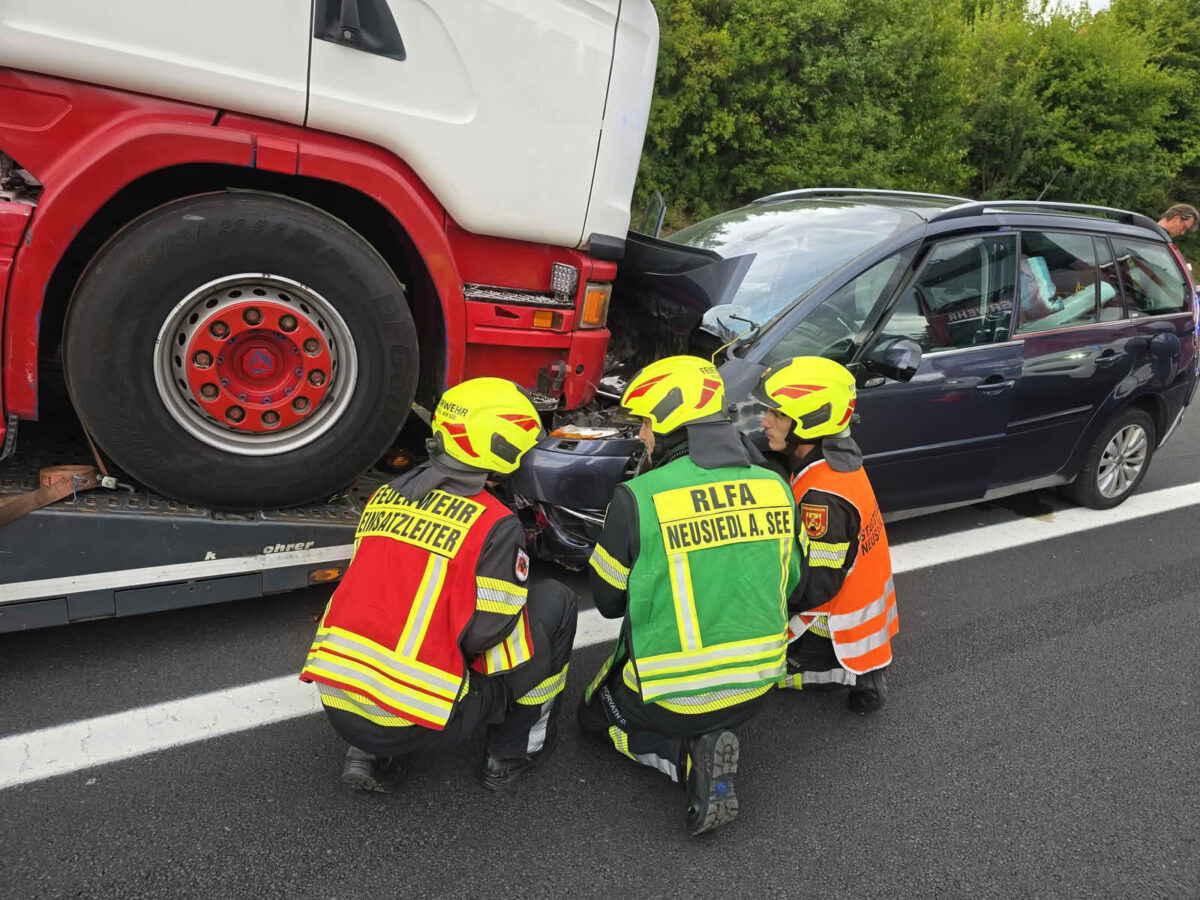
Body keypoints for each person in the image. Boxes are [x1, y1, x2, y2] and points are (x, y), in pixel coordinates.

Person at [301, 377, 577, 792]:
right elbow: (486, 635)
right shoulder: (493, 524)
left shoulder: (385, 496)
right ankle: (510, 754)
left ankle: (370, 755)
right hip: (416, 714)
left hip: (338, 700)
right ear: (502, 449)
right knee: (554, 603)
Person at [578, 356, 801, 836]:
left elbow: (610, 602)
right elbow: (795, 585)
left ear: (669, 422)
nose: (641, 436)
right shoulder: (777, 486)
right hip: (760, 688)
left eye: (645, 422)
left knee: (593, 721)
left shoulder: (638, 497)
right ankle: (704, 738)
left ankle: (684, 757)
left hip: (668, 698)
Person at [753, 356, 896, 713]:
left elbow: (816, 585)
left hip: (829, 627)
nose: (765, 421)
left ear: (811, 422)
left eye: (778, 415)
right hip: (859, 607)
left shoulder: (823, 500)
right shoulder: (837, 460)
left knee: (754, 673)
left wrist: (763, 604)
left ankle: (849, 676)